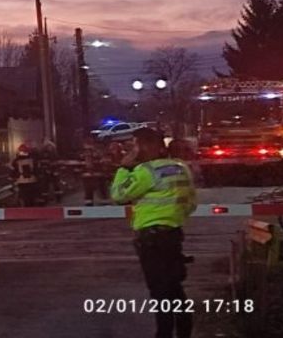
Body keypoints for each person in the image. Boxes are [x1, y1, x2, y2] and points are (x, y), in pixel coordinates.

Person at [111, 127, 197, 338]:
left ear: (144, 146)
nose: (133, 150)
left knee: (159, 291)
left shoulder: (146, 171)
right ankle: (184, 332)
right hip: (173, 234)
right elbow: (191, 203)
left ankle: (164, 333)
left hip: (151, 238)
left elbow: (118, 195)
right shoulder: (181, 168)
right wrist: (174, 217)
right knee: (175, 288)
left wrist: (124, 167)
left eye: (135, 146)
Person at [81, 136, 109, 206]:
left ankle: (89, 205)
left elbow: (87, 164)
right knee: (102, 190)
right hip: (98, 174)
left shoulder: (84, 152)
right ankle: (104, 204)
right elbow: (104, 161)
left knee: (89, 192)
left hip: (89, 175)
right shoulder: (98, 151)